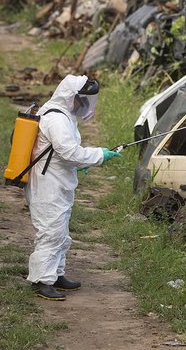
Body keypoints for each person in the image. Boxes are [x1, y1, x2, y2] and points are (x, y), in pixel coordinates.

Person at [25, 74, 120, 301]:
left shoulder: (64, 115)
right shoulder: (56, 118)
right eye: (82, 99)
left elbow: (59, 153)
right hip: (47, 184)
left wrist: (80, 165)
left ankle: (56, 274)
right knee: (51, 231)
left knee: (61, 231)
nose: (84, 104)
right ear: (70, 96)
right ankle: (42, 281)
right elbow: (68, 151)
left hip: (58, 180)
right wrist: (98, 155)